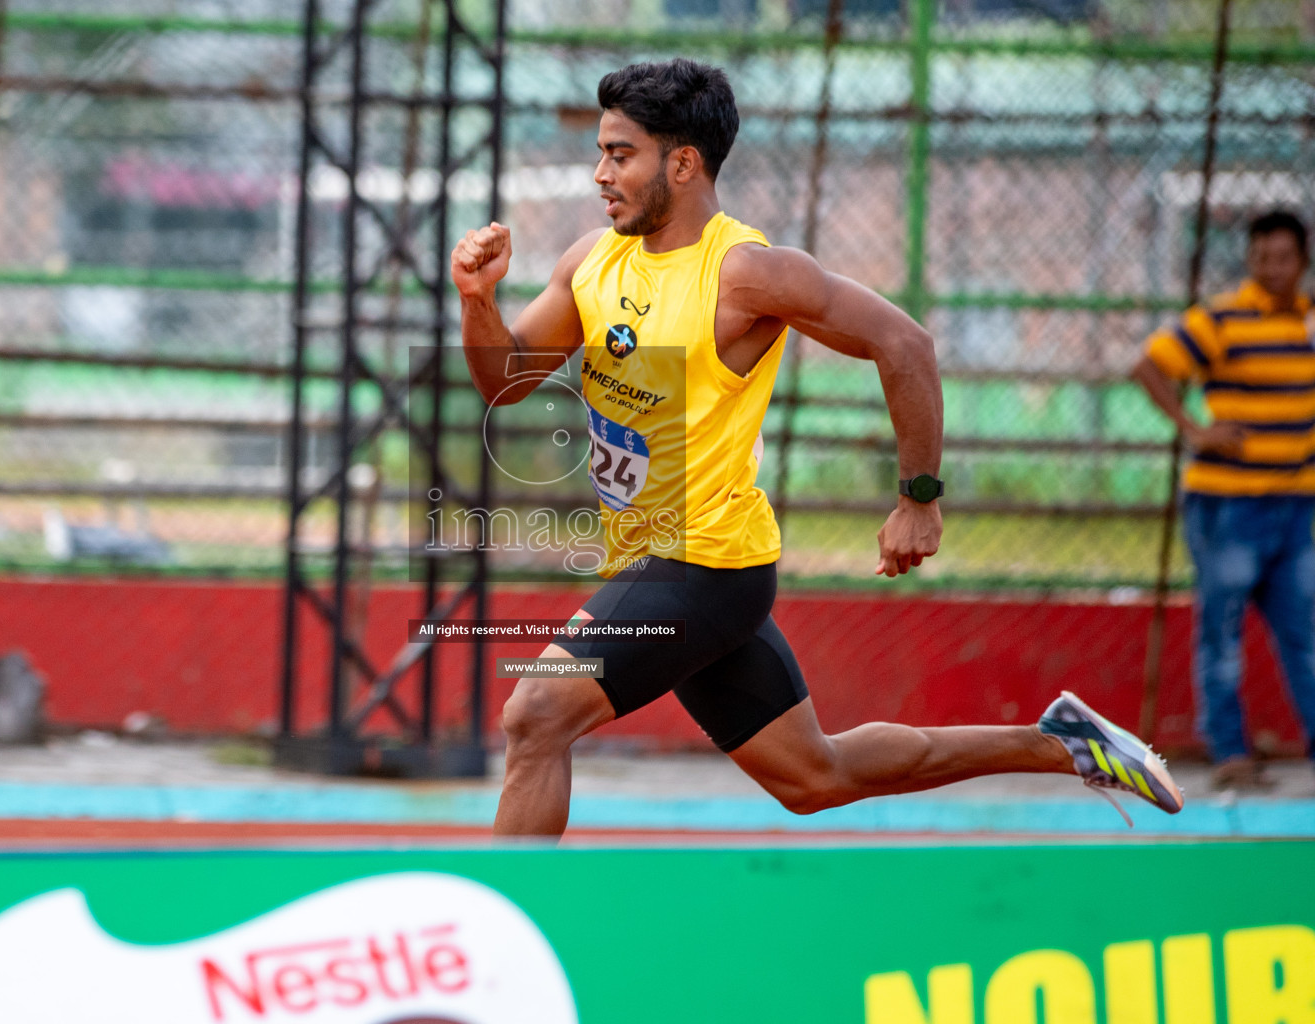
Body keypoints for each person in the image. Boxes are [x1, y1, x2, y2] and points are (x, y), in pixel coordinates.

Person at [451, 58, 1182, 836]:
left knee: (537, 712)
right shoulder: (591, 261)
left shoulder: (748, 274)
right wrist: (479, 302)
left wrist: (918, 498)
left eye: (619, 154)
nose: (600, 174)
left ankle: (501, 932)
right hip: (650, 563)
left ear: (684, 162)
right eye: (600, 152)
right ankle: (1060, 744)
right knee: (813, 775)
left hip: (705, 562)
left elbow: (904, 343)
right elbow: (507, 382)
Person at [1133, 209, 1315, 790]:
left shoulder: (1311, 322)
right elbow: (1148, 366)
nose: (1272, 268)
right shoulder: (1220, 318)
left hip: (1296, 507)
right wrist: (1195, 429)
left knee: (1304, 633)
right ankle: (1230, 752)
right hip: (1229, 507)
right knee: (1222, 630)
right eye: (1262, 257)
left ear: (1303, 261)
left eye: (1283, 257)